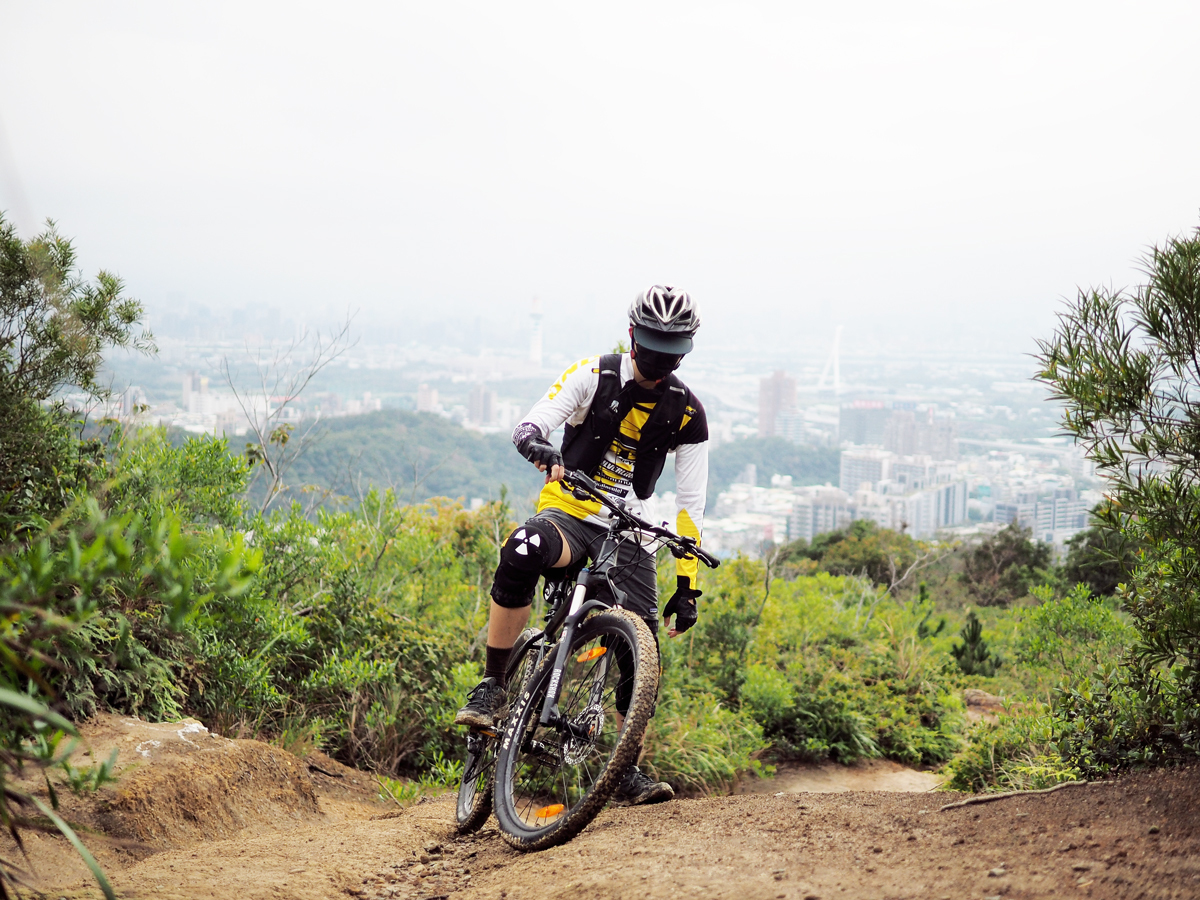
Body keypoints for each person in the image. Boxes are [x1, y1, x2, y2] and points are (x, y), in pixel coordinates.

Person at [454, 285, 710, 806]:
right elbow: (531, 423)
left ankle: (625, 768)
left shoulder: (687, 412)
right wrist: (538, 446)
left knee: (642, 648)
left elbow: (689, 506)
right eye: (655, 345)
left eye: (673, 349)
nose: (662, 358)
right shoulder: (593, 375)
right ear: (634, 336)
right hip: (570, 511)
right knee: (522, 547)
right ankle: (492, 685)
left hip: (631, 528)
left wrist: (688, 586)